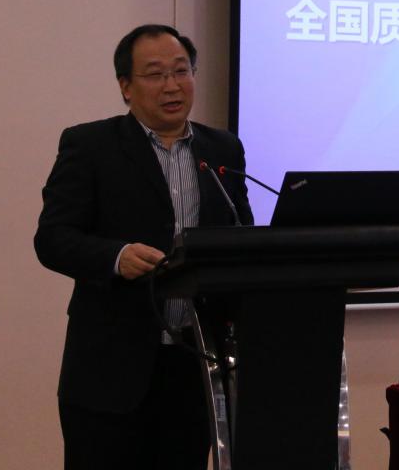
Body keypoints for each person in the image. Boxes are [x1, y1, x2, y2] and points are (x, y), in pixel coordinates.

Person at [35, 24, 252, 470]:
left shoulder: (223, 149)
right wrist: (115, 257)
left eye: (181, 71)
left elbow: (241, 233)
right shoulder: (90, 146)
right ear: (126, 87)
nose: (172, 85)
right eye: (155, 74)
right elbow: (53, 238)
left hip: (195, 363)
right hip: (110, 371)